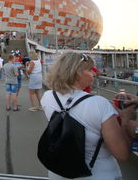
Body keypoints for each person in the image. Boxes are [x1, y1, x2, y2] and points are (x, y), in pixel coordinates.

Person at [41, 52, 130, 180]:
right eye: (89, 70)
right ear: (77, 73)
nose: (93, 74)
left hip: (58, 172)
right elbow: (122, 154)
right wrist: (126, 119)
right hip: (98, 174)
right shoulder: (100, 104)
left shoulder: (48, 97)